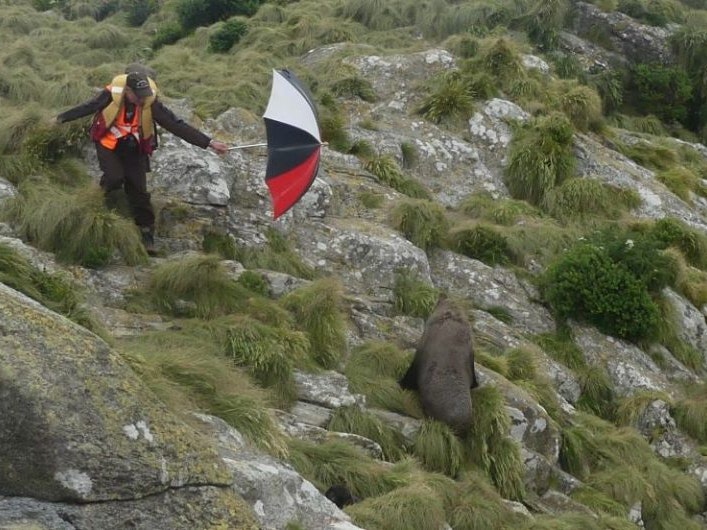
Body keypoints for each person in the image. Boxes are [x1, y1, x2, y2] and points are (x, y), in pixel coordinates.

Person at [53, 67, 229, 254]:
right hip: (108, 143)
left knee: (139, 191)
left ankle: (146, 231)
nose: (142, 99)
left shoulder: (150, 102)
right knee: (114, 178)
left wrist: (209, 143)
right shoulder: (112, 94)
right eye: (138, 96)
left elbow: (176, 125)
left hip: (134, 148)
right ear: (127, 91)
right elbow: (88, 107)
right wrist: (60, 119)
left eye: (144, 95)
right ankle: (103, 192)